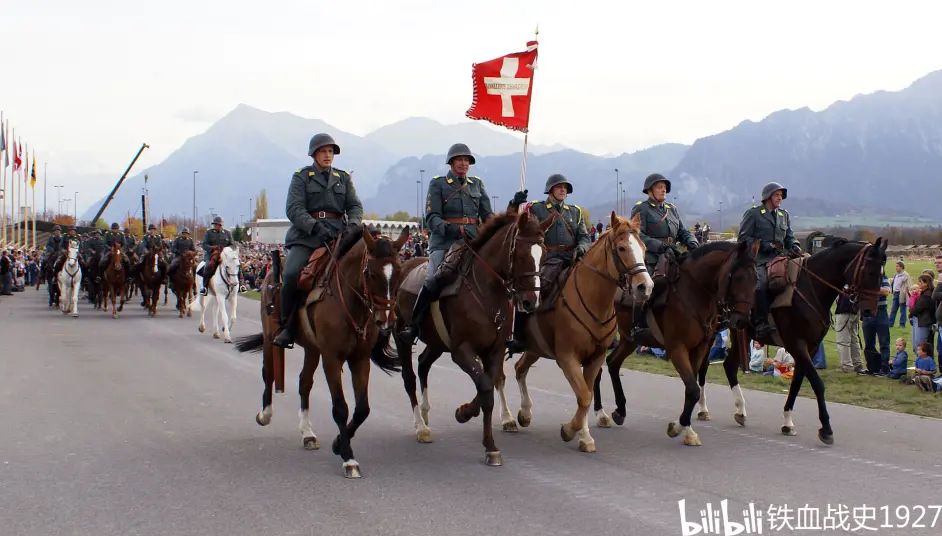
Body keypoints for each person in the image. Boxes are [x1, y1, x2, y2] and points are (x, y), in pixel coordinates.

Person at [272, 133, 363, 348]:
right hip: (307, 237)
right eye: (323, 151)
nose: (328, 155)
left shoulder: (343, 178)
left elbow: (355, 206)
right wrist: (314, 226)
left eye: (331, 152)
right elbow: (293, 208)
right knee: (292, 273)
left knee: (362, 269)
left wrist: (353, 224)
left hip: (338, 236)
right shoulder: (302, 177)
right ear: (314, 154)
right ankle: (287, 327)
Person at [398, 143, 494, 342]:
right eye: (459, 159)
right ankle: (414, 326)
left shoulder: (477, 184)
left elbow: (488, 216)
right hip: (444, 242)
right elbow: (432, 217)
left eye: (466, 160)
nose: (463, 163)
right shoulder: (438, 183)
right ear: (451, 162)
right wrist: (455, 229)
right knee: (433, 278)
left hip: (473, 242)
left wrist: (510, 210)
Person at [504, 174, 589, 353]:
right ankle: (520, 335)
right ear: (550, 189)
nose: (563, 190)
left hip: (571, 257)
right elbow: (519, 225)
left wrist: (581, 247)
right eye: (559, 187)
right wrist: (514, 204)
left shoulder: (575, 211)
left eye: (565, 187)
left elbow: (584, 236)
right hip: (547, 259)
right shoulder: (536, 208)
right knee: (533, 290)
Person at [629, 173, 699, 340]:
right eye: (659, 187)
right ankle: (637, 324)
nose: (664, 189)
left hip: (673, 254)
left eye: (664, 187)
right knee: (645, 285)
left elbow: (682, 231)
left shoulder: (672, 209)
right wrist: (660, 246)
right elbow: (637, 234)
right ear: (650, 190)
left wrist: (692, 242)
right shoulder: (642, 208)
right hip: (652, 256)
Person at [737, 182, 801, 339]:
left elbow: (790, 236)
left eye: (781, 195)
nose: (780, 198)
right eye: (777, 195)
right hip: (760, 260)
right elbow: (743, 238)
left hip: (782, 257)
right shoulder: (754, 214)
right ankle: (761, 323)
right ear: (767, 197)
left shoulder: (783, 215)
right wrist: (763, 245)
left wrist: (795, 246)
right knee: (761, 284)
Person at [198, 216, 233, 295]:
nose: (214, 226)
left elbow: (232, 245)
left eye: (216, 224)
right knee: (207, 266)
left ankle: (240, 285)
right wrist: (212, 248)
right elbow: (204, 245)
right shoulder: (209, 233)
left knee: (235, 265)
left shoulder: (227, 233)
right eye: (214, 224)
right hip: (211, 255)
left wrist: (226, 249)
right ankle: (204, 288)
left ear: (220, 225)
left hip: (224, 255)